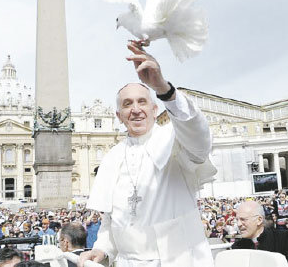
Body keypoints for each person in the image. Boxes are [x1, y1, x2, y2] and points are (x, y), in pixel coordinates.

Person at [78, 41, 216, 267]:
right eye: (127, 104)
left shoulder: (175, 139)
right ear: (119, 115)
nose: (135, 109)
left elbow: (200, 140)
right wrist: (102, 248)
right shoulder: (113, 156)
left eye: (142, 101)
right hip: (127, 262)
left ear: (154, 109)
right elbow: (112, 220)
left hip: (177, 260)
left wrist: (163, 89)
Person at [232, 200, 288, 267]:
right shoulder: (237, 247)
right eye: (237, 220)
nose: (238, 224)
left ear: (259, 220)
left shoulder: (283, 239)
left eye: (243, 219)